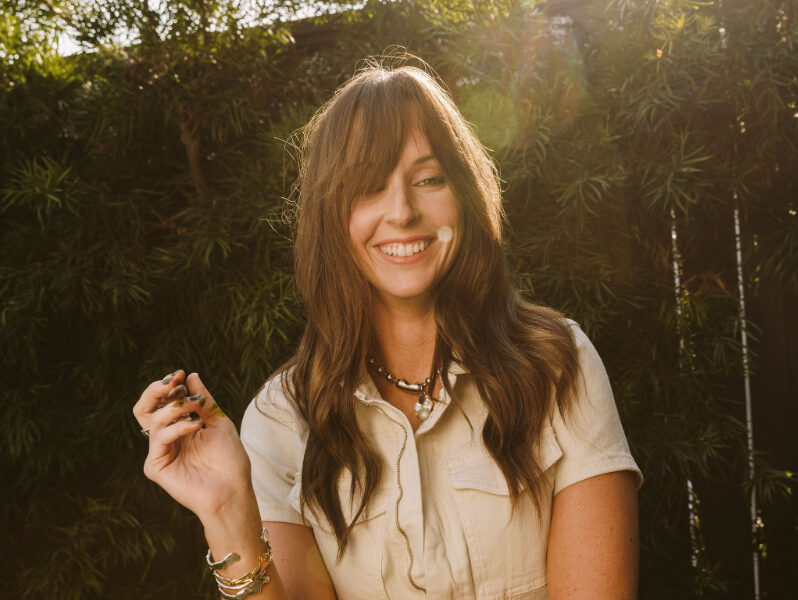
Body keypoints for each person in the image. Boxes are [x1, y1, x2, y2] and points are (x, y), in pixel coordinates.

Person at [133, 59, 642, 600]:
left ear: (464, 195)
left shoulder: (557, 366)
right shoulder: (281, 420)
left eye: (427, 179)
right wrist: (227, 511)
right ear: (331, 215)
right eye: (369, 187)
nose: (401, 211)